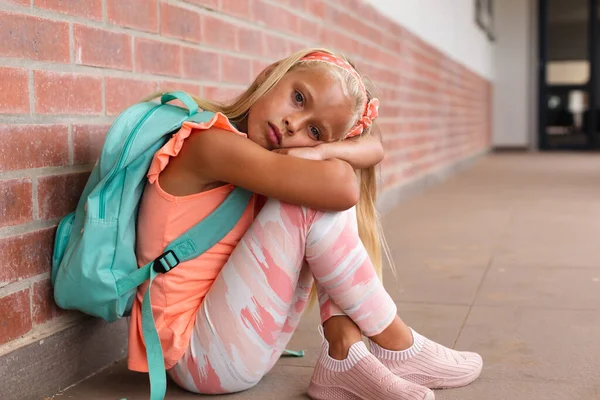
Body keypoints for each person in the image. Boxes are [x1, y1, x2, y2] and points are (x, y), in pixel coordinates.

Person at [127, 48, 482, 400]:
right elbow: (343, 186)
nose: (292, 125)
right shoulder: (209, 144)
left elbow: (376, 144)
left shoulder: (251, 149)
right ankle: (398, 345)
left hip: (243, 343)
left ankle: (345, 353)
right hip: (193, 358)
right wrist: (322, 150)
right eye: (298, 98)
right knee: (313, 201)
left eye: (314, 130)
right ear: (270, 76)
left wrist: (322, 151)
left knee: (318, 194)